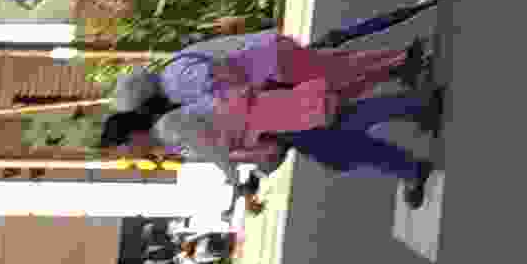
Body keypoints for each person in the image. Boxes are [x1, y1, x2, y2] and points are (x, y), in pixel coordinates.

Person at [101, 21, 441, 189]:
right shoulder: (173, 99)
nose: (132, 156)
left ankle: (408, 85)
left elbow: (225, 89)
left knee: (341, 101)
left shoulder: (175, 93)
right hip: (268, 93)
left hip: (269, 81)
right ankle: (407, 91)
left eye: (126, 150)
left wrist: (266, 104)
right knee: (341, 98)